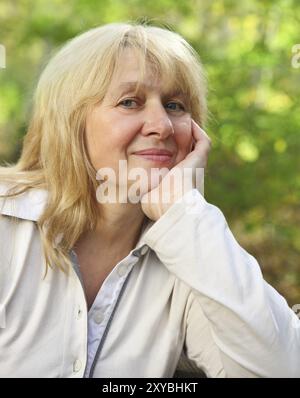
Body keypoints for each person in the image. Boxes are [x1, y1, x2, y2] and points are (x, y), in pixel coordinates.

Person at [0, 21, 299, 379]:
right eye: (130, 102)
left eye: (175, 105)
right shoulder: (8, 227)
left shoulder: (191, 250)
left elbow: (281, 369)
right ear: (70, 123)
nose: (162, 125)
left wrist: (185, 214)